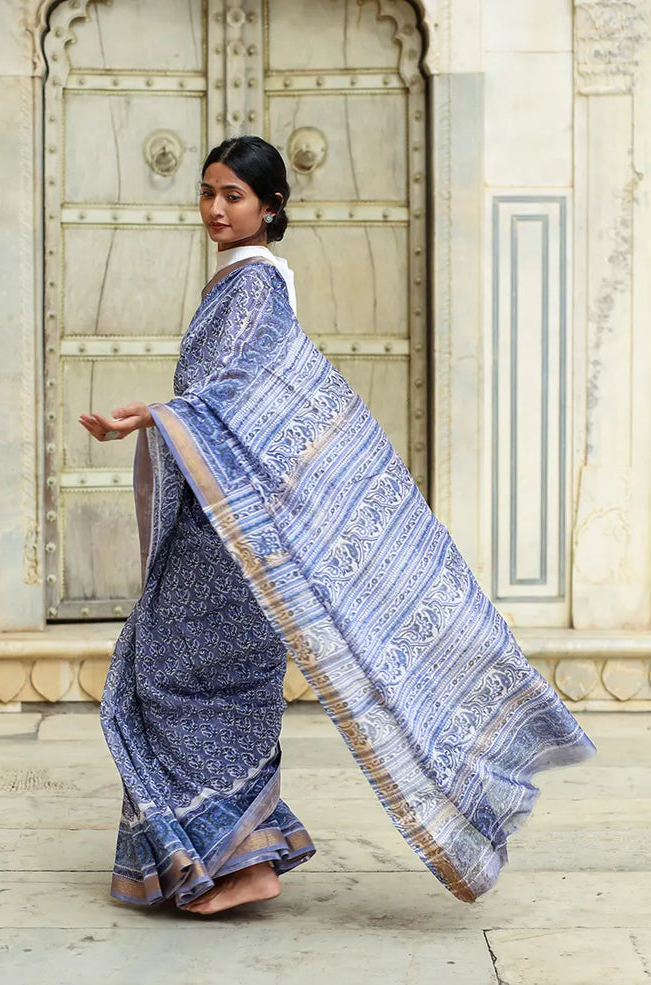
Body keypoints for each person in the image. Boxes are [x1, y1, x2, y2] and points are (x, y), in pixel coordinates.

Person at [80, 135, 594, 916]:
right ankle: (236, 853)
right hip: (231, 524)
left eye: (235, 197)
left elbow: (238, 399)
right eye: (208, 192)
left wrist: (149, 415)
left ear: (271, 207)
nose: (217, 209)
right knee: (205, 680)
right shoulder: (247, 283)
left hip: (227, 535)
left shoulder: (252, 287)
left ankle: (241, 860)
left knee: (176, 678)